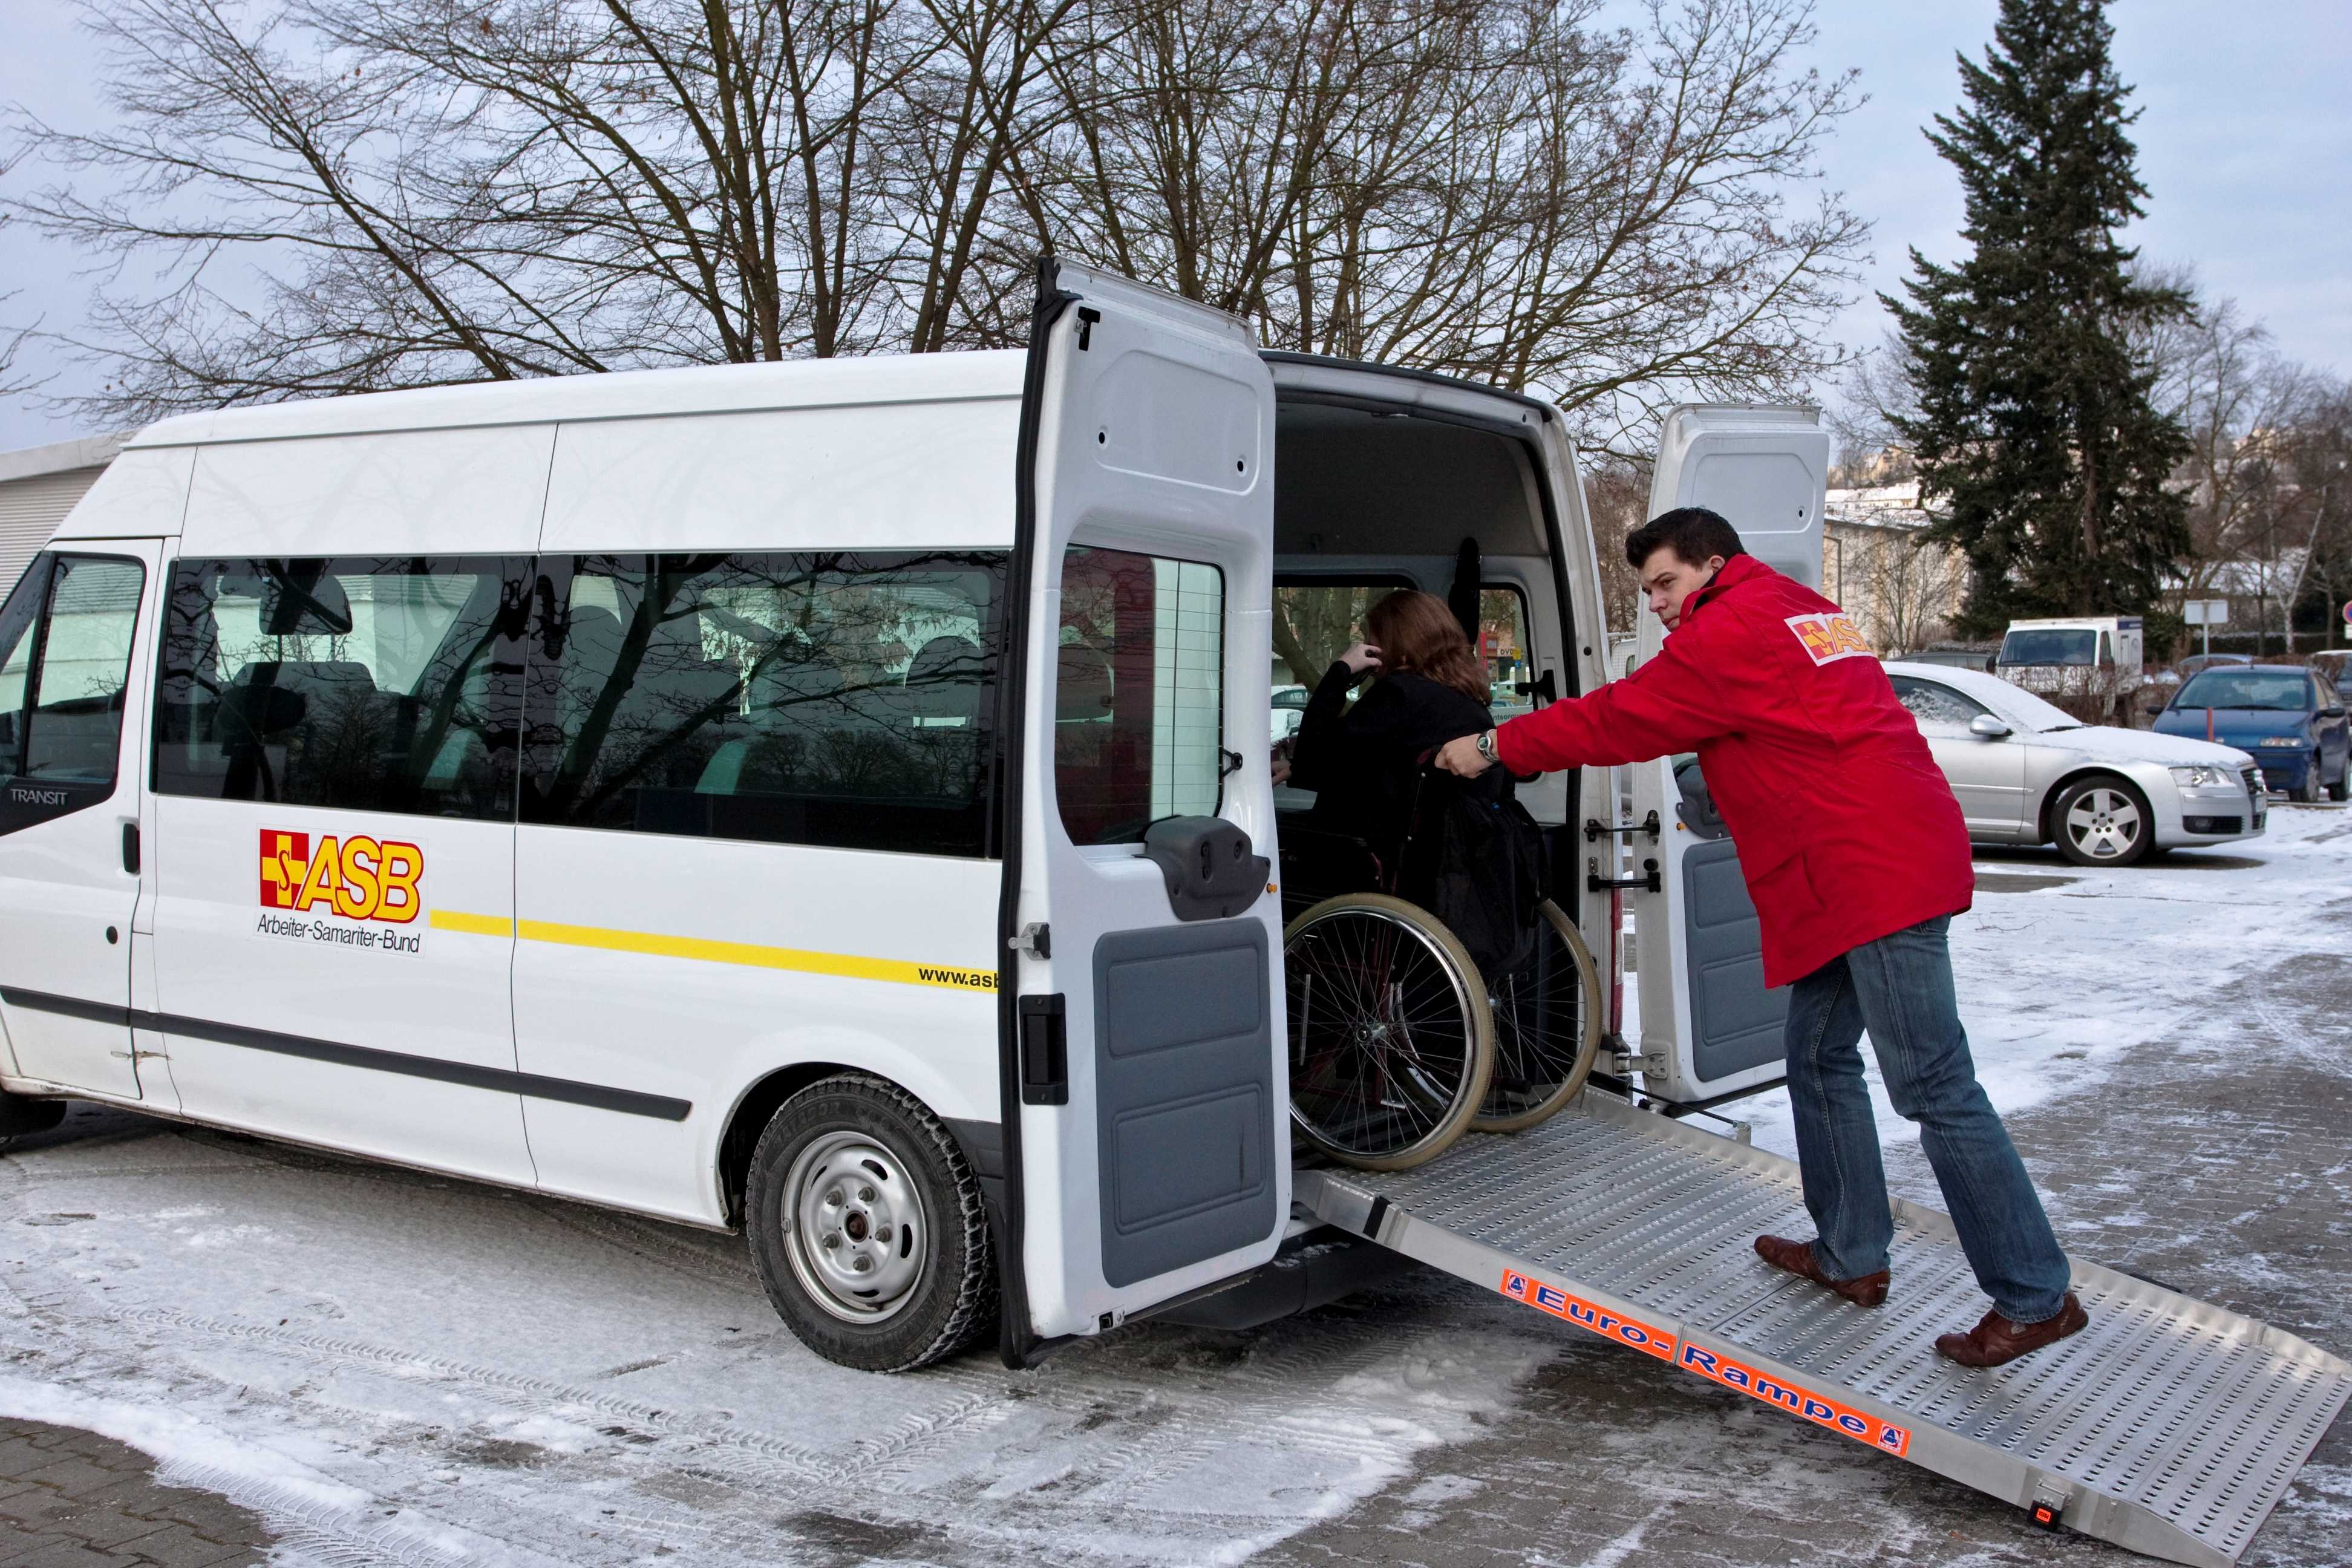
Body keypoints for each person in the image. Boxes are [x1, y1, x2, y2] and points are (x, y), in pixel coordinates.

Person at [1435, 507, 2086, 1368]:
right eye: (1648, 590)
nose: (1658, 604)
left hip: (1870, 875)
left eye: (1666, 583)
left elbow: (1622, 719)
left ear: (1713, 563)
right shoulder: (1797, 608)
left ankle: (2034, 1295)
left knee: (1935, 1088)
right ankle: (1851, 1254)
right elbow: (1783, 728)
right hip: (1868, 859)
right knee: (1818, 1058)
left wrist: (1494, 746)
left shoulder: (1732, 629)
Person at [1282, 589, 1498, 861]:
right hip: (1443, 860)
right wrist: (1295, 768)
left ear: (1397, 648)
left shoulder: (1398, 694)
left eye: (1373, 641)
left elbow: (1313, 760)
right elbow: (1373, 766)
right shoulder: (1469, 701)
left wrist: (1341, 671)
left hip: (1373, 861)